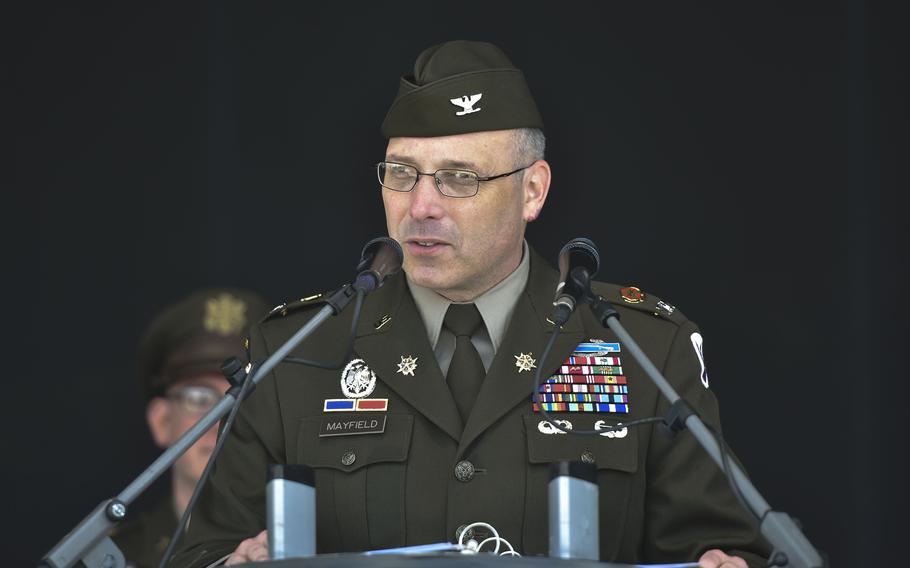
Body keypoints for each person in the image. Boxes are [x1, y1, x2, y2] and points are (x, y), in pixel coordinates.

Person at [170, 41, 770, 568]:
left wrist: (724, 562)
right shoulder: (296, 352)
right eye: (402, 174)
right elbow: (199, 552)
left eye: (459, 178)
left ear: (532, 190)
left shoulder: (641, 347)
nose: (422, 206)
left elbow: (721, 544)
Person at [111, 288, 269, 568]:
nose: (221, 422)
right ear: (162, 421)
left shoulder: (312, 550)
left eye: (245, 397)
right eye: (199, 399)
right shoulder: (115, 557)